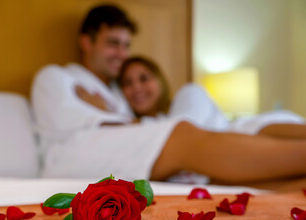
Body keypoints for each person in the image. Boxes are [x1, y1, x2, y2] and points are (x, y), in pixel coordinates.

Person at [31, 4, 306, 184]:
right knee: (179, 135)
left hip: (115, 144)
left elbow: (135, 123)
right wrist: (105, 115)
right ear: (86, 41)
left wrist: (108, 111)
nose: (122, 54)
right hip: (70, 156)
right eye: (113, 44)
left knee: (240, 127)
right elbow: (60, 122)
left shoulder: (114, 92)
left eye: (126, 45)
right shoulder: (56, 76)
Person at [117, 56, 306, 137]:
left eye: (144, 78)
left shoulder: (188, 94)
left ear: (159, 80)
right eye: (127, 83)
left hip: (250, 132)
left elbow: (184, 133)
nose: (137, 88)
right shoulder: (140, 131)